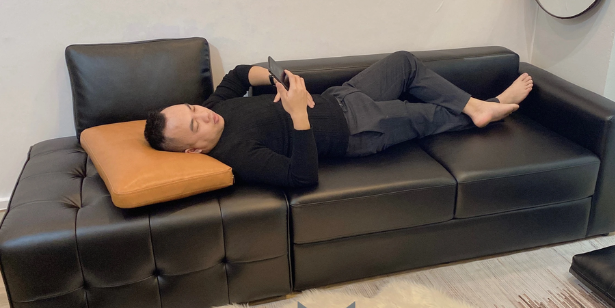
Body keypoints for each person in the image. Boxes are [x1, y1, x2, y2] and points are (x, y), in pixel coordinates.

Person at [144, 50, 533, 188]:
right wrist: (297, 113)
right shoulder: (237, 154)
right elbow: (302, 176)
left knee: (404, 63)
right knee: (429, 115)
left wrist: (275, 79)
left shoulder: (216, 108)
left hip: (341, 96)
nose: (204, 115)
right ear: (193, 150)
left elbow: (238, 75)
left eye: (193, 109)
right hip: (358, 129)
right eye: (195, 125)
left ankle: (475, 105)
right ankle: (489, 106)